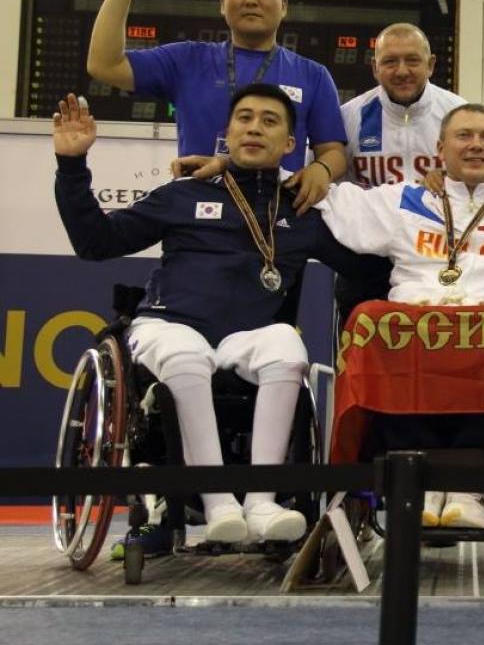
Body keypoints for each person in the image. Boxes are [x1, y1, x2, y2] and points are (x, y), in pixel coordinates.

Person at [53, 84, 369, 547]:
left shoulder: (304, 210)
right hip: (168, 325)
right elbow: (95, 242)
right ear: (228, 133)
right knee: (186, 356)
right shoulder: (184, 194)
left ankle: (262, 503)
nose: (254, 127)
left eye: (269, 120)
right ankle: (219, 503)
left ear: (289, 144)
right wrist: (72, 165)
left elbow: (368, 268)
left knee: (287, 347)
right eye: (244, 118)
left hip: (249, 335)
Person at [318, 103, 484, 529]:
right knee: (367, 318)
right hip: (415, 332)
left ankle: (469, 489)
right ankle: (413, 486)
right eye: (464, 136)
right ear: (440, 148)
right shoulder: (403, 201)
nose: (476, 145)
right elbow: (325, 198)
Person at [87, 0, 348, 213]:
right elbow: (104, 65)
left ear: (284, 6)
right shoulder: (187, 60)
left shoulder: (313, 75)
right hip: (196, 215)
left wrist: (322, 169)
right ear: (223, 3)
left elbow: (333, 151)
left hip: (276, 218)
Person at [335, 23, 466, 316]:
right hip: (367, 262)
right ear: (375, 67)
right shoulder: (349, 117)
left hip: (440, 259)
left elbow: (482, 185)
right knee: (359, 355)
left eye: (413, 60)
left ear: (431, 64)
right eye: (390, 61)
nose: (402, 70)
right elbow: (332, 188)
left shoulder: (459, 114)